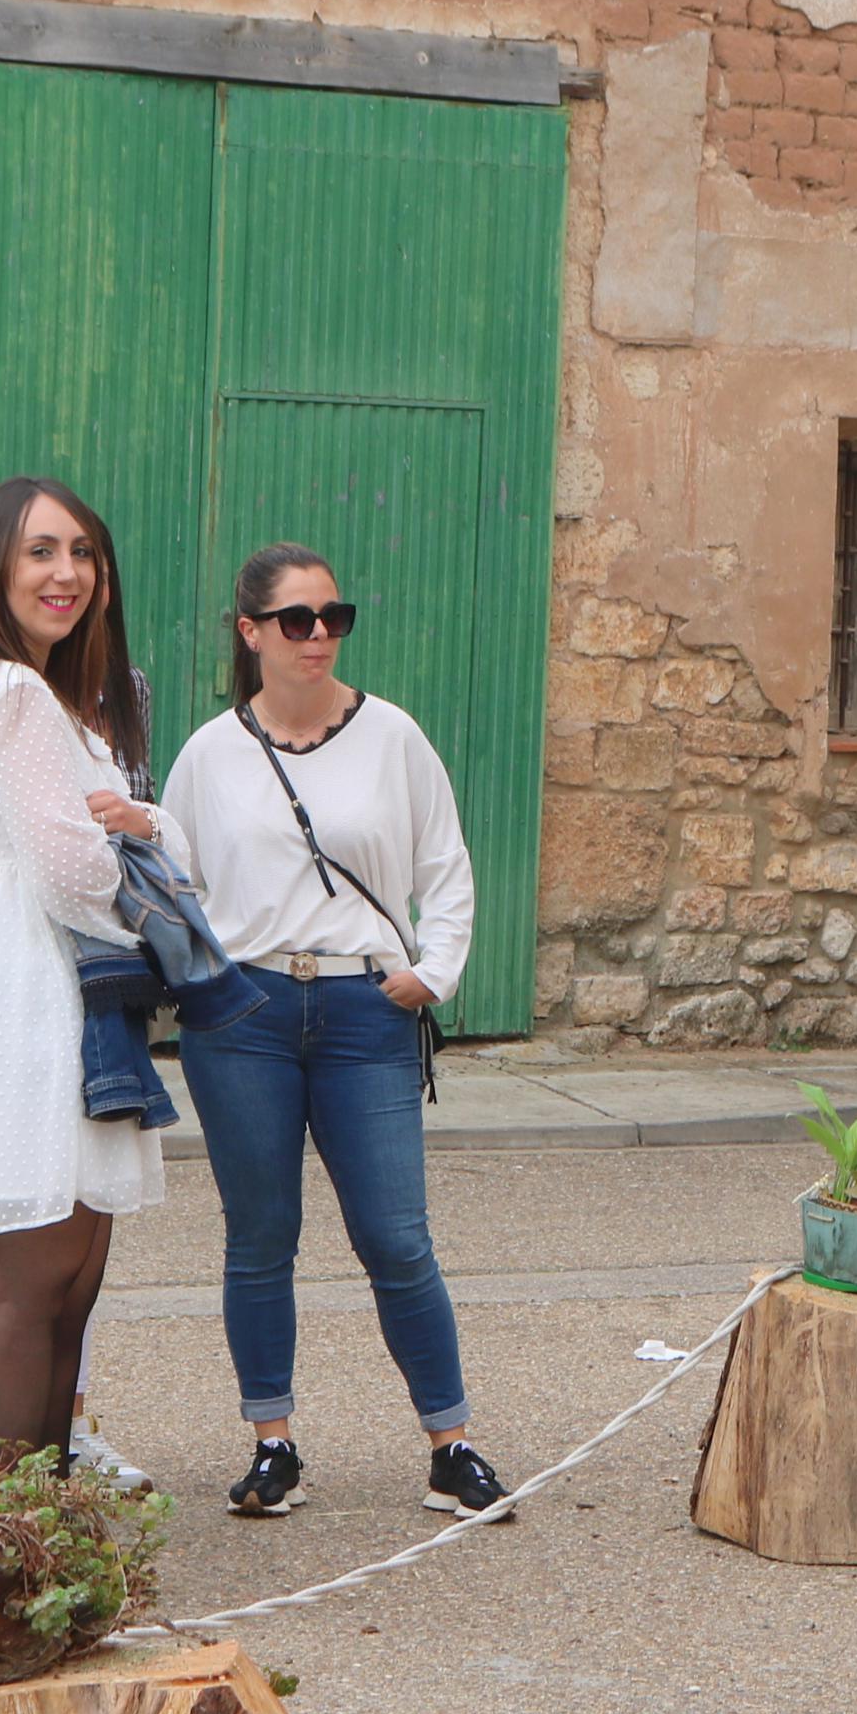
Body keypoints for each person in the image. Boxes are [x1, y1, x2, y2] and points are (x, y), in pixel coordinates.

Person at [159, 542, 511, 1522]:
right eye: (296, 619)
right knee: (260, 1235)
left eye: (332, 616)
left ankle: (452, 1445)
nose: (319, 635)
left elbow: (443, 865)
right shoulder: (209, 752)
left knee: (396, 1238)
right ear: (250, 632)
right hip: (246, 1015)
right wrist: (201, 979)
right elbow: (176, 882)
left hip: (365, 1010)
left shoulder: (392, 736)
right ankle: (272, 1445)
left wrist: (429, 976)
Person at [0, 477, 162, 1473]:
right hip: (27, 977)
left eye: (83, 554)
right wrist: (145, 885)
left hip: (45, 973)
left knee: (65, 1276)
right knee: (32, 1272)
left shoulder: (36, 691)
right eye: (41, 552)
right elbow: (67, 867)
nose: (68, 574)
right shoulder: (8, 688)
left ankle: (40, 1529)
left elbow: (127, 830)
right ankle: (7, 1543)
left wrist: (139, 838)